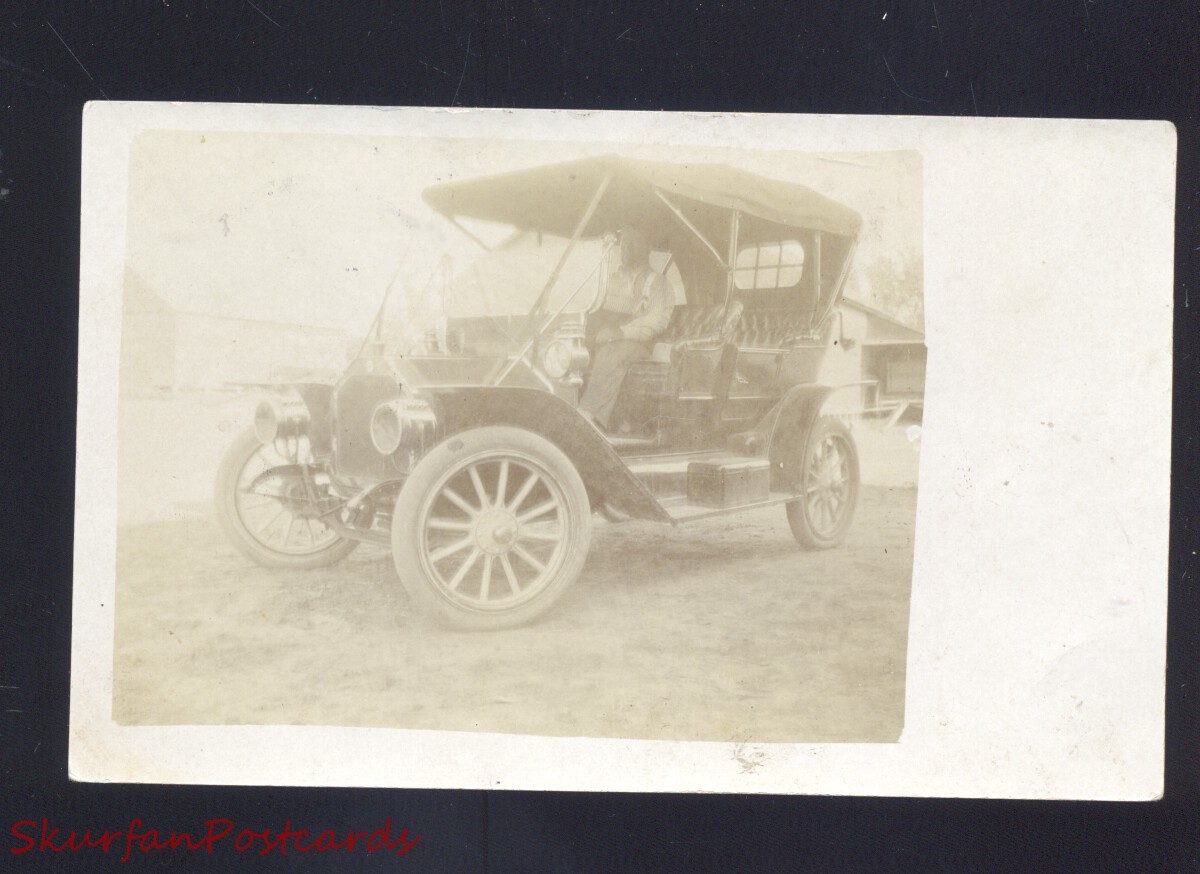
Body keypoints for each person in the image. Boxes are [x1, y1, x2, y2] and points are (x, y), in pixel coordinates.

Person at [579, 226, 674, 431]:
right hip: (601, 334)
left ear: (648, 247)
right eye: (623, 242)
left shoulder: (658, 283)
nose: (626, 247)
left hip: (637, 343)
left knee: (612, 354)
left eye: (634, 241)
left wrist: (620, 332)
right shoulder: (608, 278)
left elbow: (656, 320)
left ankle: (588, 421)